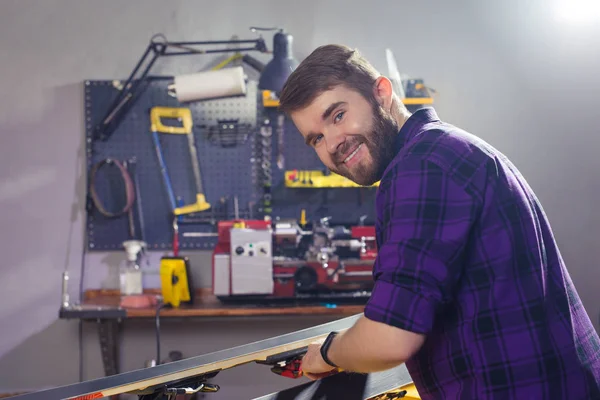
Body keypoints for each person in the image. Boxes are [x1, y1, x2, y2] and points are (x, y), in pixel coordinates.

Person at [277, 44, 600, 399]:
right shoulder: (447, 148)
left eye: (337, 116)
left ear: (381, 93)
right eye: (317, 139)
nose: (333, 143)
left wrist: (328, 353)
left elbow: (390, 337)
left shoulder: (420, 166)